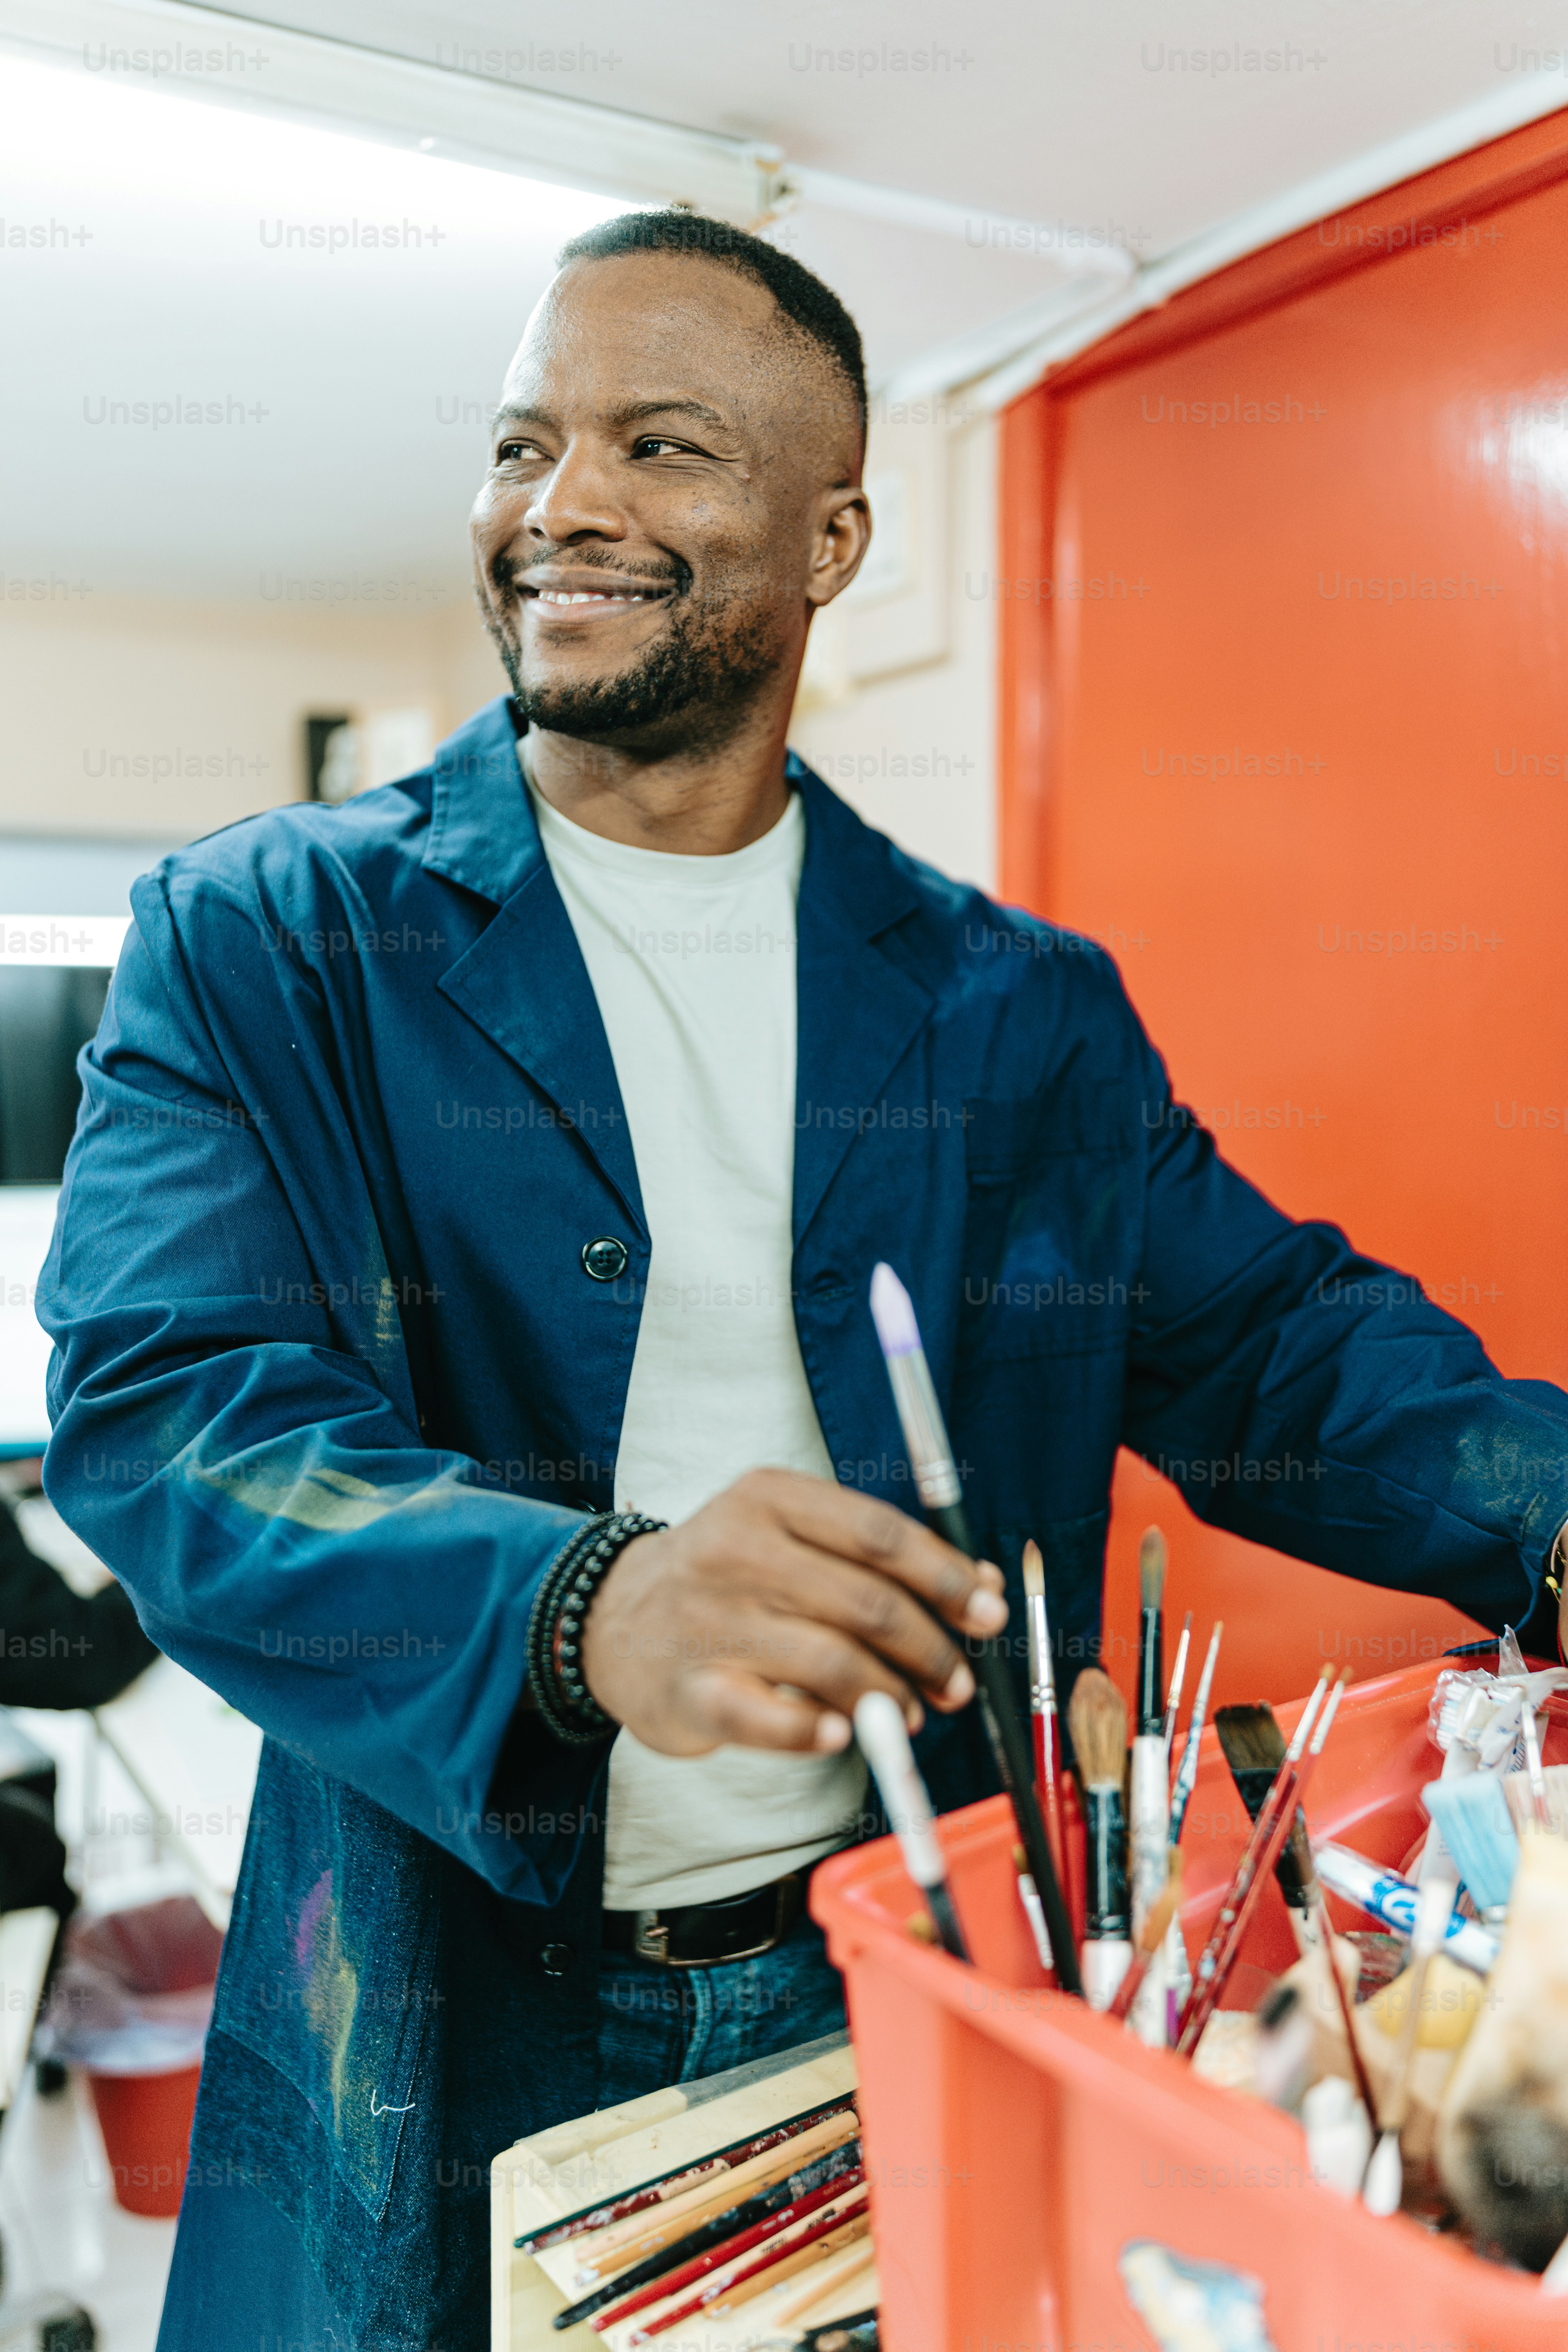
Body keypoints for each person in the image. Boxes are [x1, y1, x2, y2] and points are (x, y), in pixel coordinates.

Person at [35, 211, 1568, 2351]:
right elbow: (172, 1411)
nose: (560, 504)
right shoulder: (271, 938)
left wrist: (1554, 1520)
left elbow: (1276, 1350)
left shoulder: (1016, 1006)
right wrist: (584, 1607)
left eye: (660, 447)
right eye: (523, 444)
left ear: (832, 536)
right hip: (441, 1995)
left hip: (920, 1966)